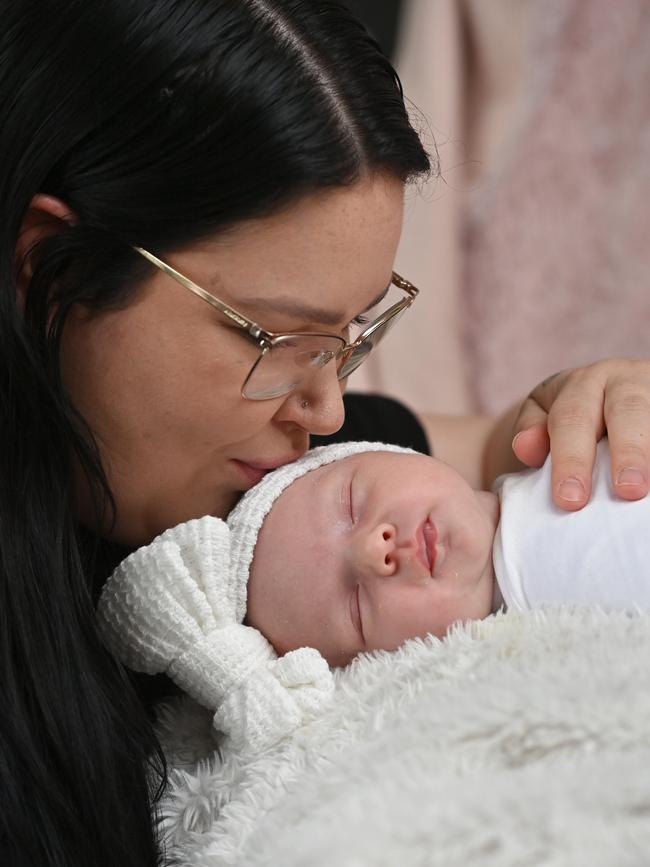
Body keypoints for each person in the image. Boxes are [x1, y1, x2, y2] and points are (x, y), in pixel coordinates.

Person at [3, 1, 650, 865]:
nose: (329, 411)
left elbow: (508, 446)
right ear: (50, 270)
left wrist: (590, 399)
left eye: (350, 340)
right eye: (276, 338)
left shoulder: (283, 490)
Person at [97, 436, 650, 754]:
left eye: (351, 505)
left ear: (386, 451)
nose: (374, 550)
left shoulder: (561, 444)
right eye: (357, 608)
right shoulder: (525, 665)